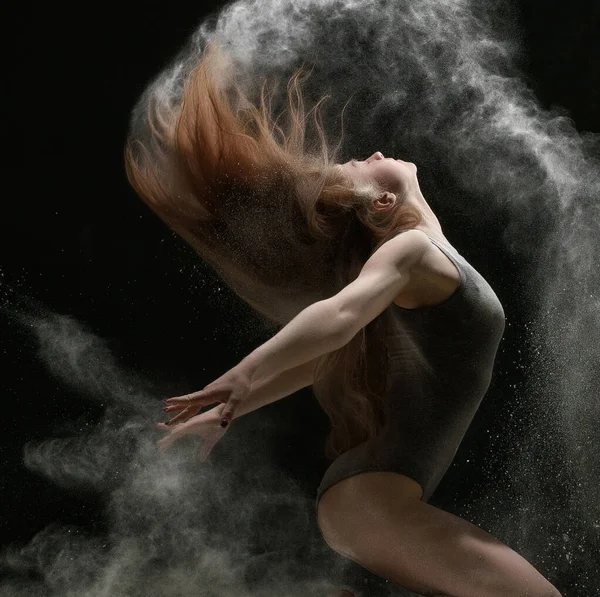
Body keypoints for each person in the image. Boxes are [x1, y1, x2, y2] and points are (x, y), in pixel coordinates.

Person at [125, 39, 562, 597]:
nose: (373, 154)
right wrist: (241, 378)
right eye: (362, 166)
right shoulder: (410, 252)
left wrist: (236, 407)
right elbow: (337, 316)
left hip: (368, 501)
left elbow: (323, 355)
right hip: (371, 499)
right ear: (383, 203)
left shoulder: (421, 262)